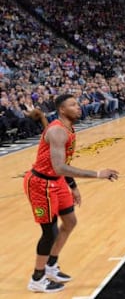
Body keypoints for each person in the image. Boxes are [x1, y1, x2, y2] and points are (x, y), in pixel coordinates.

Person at [23, 94, 119, 293]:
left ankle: (51, 266)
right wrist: (98, 174)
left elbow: (63, 165)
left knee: (70, 222)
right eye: (73, 105)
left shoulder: (68, 128)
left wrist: (73, 186)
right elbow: (59, 167)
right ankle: (37, 279)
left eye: (78, 103)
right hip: (41, 184)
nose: (79, 107)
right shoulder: (58, 131)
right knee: (49, 232)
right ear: (62, 110)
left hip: (56, 181)